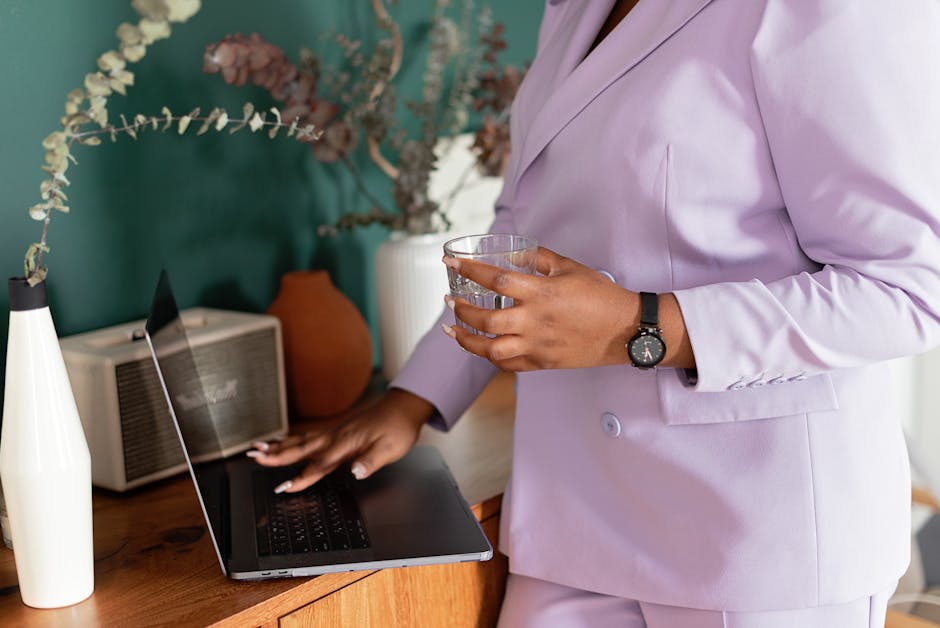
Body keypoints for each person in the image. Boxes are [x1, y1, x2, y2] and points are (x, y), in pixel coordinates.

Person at [248, 0, 940, 625]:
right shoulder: (575, 8)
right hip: (575, 518)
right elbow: (521, 226)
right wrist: (413, 396)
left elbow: (909, 288)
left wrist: (637, 326)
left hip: (756, 536)